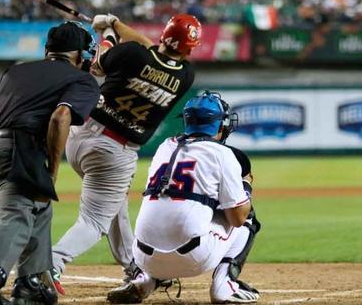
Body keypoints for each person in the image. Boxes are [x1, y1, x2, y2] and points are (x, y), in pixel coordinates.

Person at [50, 13, 202, 289]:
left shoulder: (133, 54)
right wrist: (112, 28)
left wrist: (108, 34)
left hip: (80, 134)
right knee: (95, 221)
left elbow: (100, 64)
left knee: (115, 205)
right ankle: (52, 264)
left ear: (164, 35)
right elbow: (152, 56)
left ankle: (134, 264)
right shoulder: (186, 76)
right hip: (114, 151)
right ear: (190, 48)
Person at [0, 21, 100, 305]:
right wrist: (53, 171)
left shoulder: (16, 70)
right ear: (82, 57)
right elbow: (60, 118)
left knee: (40, 206)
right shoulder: (82, 80)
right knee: (17, 212)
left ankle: (30, 282)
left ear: (47, 50)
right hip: (14, 152)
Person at [107, 91, 261, 304]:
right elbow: (237, 218)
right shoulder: (223, 154)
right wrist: (245, 186)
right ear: (219, 125)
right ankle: (224, 286)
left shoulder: (164, 147)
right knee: (246, 214)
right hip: (194, 257)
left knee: (170, 207)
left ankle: (146, 279)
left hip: (143, 256)